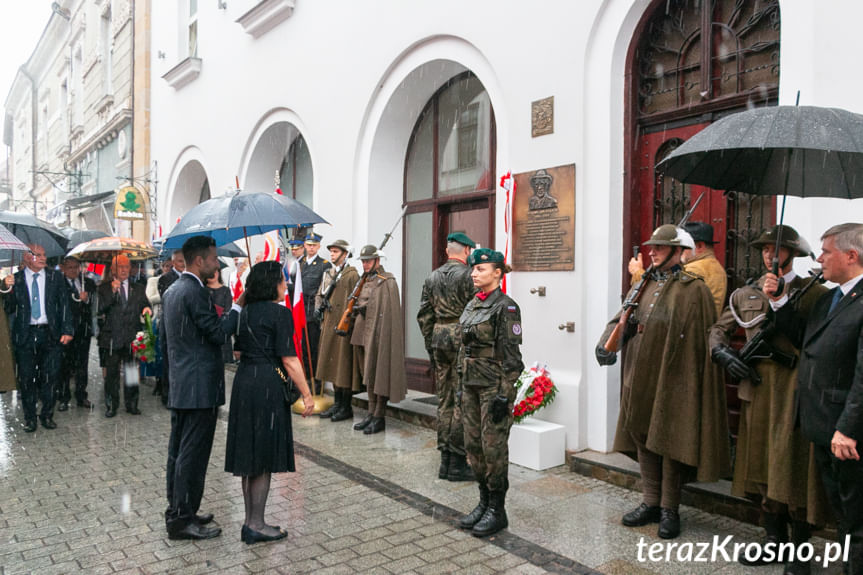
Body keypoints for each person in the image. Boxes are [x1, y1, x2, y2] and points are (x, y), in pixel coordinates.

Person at [596, 224, 730, 539]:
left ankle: (670, 509)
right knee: (643, 433)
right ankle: (651, 502)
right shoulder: (643, 283)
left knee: (668, 437)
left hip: (674, 375)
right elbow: (622, 316)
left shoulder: (693, 287)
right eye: (651, 246)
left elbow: (698, 336)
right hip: (639, 371)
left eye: (658, 247)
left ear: (677, 251)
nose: (651, 251)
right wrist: (605, 344)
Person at [710, 225, 828, 572]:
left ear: (793, 253)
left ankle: (799, 550)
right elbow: (719, 327)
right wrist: (720, 352)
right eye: (763, 249)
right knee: (761, 467)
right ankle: (774, 542)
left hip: (794, 393)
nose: (768, 254)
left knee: (792, 469)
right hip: (758, 390)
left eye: (775, 249)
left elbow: (812, 340)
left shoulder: (815, 293)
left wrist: (781, 300)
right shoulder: (748, 292)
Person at [764, 223, 863, 575]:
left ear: (851, 256)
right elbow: (805, 341)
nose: (819, 258)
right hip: (821, 424)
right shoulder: (830, 297)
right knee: (842, 509)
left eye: (826, 252)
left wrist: (848, 429)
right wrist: (779, 301)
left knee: (856, 514)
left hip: (845, 433)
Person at [225, 261, 315, 544]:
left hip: (244, 382)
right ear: (271, 284)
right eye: (281, 280)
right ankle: (257, 525)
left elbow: (237, 352)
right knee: (262, 456)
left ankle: (249, 521)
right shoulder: (280, 313)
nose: (285, 285)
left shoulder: (244, 311)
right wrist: (307, 394)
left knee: (248, 455)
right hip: (266, 384)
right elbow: (289, 359)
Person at [162, 235, 241, 541]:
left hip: (183, 384)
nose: (215, 263)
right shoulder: (194, 291)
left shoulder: (174, 290)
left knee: (179, 452)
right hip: (198, 388)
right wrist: (237, 308)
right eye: (212, 258)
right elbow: (218, 333)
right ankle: (182, 521)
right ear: (199, 260)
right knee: (190, 455)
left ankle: (180, 510)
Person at [456, 248, 523, 537]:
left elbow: (512, 359)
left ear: (497, 272)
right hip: (470, 384)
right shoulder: (472, 304)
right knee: (473, 446)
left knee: (493, 448)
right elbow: (464, 348)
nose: (474, 274)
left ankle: (498, 509)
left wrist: (505, 396)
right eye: (473, 269)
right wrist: (460, 385)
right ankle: (483, 502)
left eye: (480, 270)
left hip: (493, 386)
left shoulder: (506, 307)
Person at [417, 232, 477, 481]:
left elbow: (424, 316)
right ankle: (456, 462)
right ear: (466, 251)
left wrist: (431, 346)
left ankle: (445, 460)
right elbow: (476, 312)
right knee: (462, 400)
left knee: (444, 400)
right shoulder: (468, 276)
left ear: (447, 251)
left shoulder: (432, 277)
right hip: (461, 338)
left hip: (439, 337)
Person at [2, 244, 73, 431]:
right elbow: (9, 308)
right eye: (37, 255)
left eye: (44, 255)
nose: (43, 258)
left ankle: (47, 415)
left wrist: (67, 330)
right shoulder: (15, 280)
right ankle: (30, 418)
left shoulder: (54, 277)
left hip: (50, 334)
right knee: (27, 378)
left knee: (50, 376)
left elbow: (64, 303)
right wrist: (6, 288)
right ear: (26, 257)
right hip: (25, 335)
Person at [350, 245, 406, 434]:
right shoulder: (364, 280)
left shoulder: (387, 281)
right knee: (367, 374)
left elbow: (389, 311)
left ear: (377, 261)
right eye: (363, 261)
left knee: (378, 373)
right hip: (361, 332)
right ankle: (371, 413)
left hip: (378, 332)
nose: (365, 264)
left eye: (368, 260)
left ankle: (379, 415)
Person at [629, 220, 727, 315]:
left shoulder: (695, 269)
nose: (679, 251)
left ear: (700, 246)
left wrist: (637, 272)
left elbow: (660, 298)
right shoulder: (712, 266)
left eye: (684, 247)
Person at [96, 254, 152, 417]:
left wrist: (147, 310)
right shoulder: (104, 288)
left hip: (132, 337)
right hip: (112, 338)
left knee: (132, 373)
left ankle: (132, 403)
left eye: (126, 266)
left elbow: (146, 304)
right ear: (113, 269)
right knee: (112, 375)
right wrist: (113, 293)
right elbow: (99, 309)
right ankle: (111, 405)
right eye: (120, 266)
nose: (124, 270)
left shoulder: (138, 288)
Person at [314, 239, 361, 422]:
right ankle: (337, 403)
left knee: (342, 367)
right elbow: (321, 293)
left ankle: (345, 405)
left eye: (335, 252)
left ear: (345, 253)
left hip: (343, 327)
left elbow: (353, 302)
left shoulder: (351, 275)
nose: (332, 255)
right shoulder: (330, 273)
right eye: (331, 252)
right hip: (329, 324)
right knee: (331, 366)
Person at [57, 256, 96, 411]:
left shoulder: (88, 283)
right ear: (63, 268)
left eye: (76, 267)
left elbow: (95, 303)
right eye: (70, 267)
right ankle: (63, 396)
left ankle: (81, 395)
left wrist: (86, 299)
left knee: (82, 365)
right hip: (65, 331)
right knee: (64, 366)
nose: (73, 270)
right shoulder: (58, 284)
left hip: (83, 331)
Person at [300, 232, 331, 391]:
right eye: (308, 245)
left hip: (313, 314)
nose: (311, 248)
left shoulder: (324, 265)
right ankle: (304, 381)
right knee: (303, 350)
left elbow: (324, 290)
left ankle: (316, 383)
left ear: (318, 247)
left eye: (314, 245)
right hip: (300, 313)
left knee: (314, 349)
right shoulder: (300, 264)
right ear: (304, 245)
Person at [206, 272, 234, 363]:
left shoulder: (225, 290)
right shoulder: (202, 290)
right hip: (208, 326)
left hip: (222, 326)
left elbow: (228, 309)